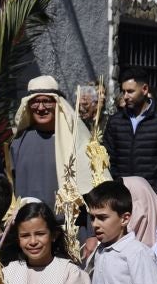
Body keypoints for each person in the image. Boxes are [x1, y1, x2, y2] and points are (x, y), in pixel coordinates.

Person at [8, 75, 93, 209]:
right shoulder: (18, 142)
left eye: (47, 101)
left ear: (57, 103)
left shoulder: (75, 140)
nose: (41, 108)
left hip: (67, 223)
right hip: (27, 222)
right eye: (35, 102)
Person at [104, 70, 157, 203]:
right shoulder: (116, 121)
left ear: (144, 89)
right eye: (123, 91)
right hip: (121, 197)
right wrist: (116, 189)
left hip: (152, 196)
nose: (125, 96)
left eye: (130, 91)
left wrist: (156, 195)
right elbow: (108, 158)